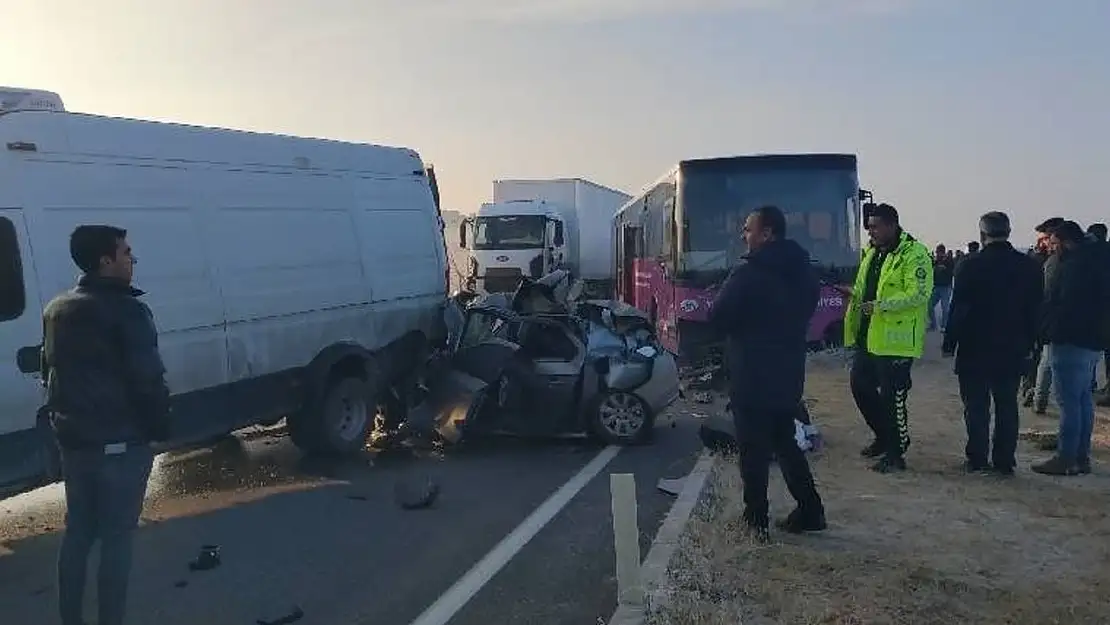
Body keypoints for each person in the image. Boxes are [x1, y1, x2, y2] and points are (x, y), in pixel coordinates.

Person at [42, 225, 171, 625]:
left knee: (78, 532)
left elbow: (50, 373)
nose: (132, 259)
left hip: (76, 442)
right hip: (120, 444)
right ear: (105, 261)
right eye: (126, 252)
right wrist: (159, 428)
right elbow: (147, 380)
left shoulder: (57, 308)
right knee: (117, 538)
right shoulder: (127, 310)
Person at [709, 205, 825, 539]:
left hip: (752, 374)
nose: (744, 236)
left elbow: (719, 316)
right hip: (788, 372)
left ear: (767, 233)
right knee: (785, 443)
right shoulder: (804, 272)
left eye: (748, 229)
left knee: (753, 451)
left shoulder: (748, 273)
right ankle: (811, 511)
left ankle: (755, 520)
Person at [942, 212, 1042, 475]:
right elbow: (1035, 310)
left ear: (982, 234)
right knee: (1007, 405)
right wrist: (1033, 343)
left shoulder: (969, 265)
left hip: (975, 347)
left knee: (976, 406)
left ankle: (977, 458)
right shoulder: (1029, 266)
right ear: (1008, 232)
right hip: (1013, 348)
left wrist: (949, 343)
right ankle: (1004, 461)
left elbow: (959, 309)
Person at [840, 203, 932, 473]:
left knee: (893, 397)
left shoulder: (914, 254)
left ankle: (896, 452)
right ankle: (883, 436)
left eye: (875, 227)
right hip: (869, 337)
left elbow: (919, 293)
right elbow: (864, 288)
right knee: (860, 387)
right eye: (869, 227)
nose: (871, 232)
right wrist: (852, 294)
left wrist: (881, 305)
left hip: (897, 340)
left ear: (892, 225)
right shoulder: (872, 253)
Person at [1032, 220, 1110, 476]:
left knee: (1068, 403)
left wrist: (1046, 329)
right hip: (1092, 341)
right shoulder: (1097, 261)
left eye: (1054, 244)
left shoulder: (1071, 267)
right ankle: (1081, 456)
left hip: (1069, 339)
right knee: (1084, 400)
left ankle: (1066, 458)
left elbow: (1061, 305)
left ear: (1065, 242)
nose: (1051, 249)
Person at [1028, 217, 1066, 413]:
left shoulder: (1055, 261)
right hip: (1042, 318)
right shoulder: (1039, 258)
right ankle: (1032, 390)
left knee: (1044, 360)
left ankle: (1037, 396)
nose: (1041, 243)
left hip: (1047, 320)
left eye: (1044, 239)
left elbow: (1048, 294)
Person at [927, 244, 955, 331]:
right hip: (936, 286)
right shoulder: (935, 261)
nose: (937, 254)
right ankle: (933, 324)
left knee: (945, 307)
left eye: (938, 252)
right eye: (937, 252)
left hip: (946, 287)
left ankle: (944, 326)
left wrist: (944, 268)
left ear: (942, 252)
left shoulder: (949, 260)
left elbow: (952, 272)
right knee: (929, 305)